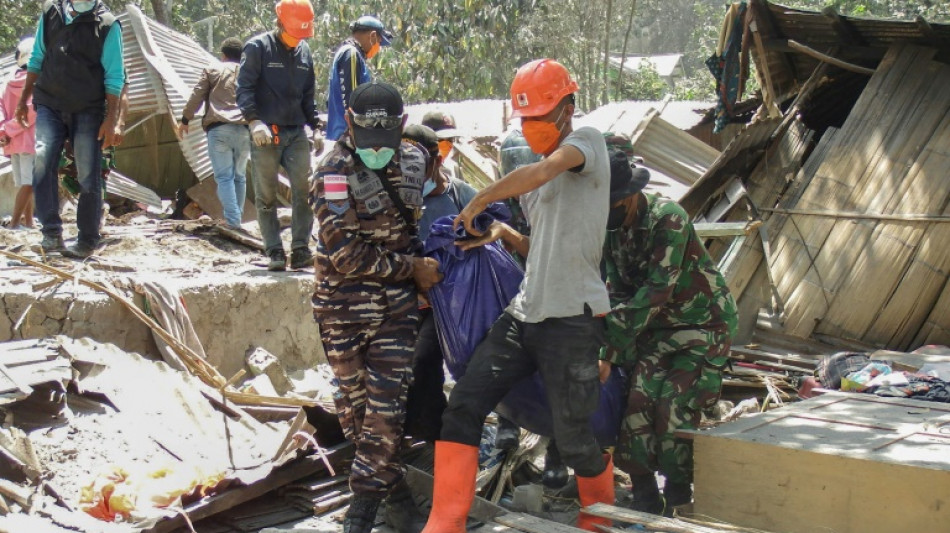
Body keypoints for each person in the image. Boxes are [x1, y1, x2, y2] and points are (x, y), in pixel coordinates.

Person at [422, 59, 614, 533]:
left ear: (568, 108)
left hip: (573, 316)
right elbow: (543, 249)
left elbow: (544, 171)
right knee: (463, 406)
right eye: (525, 119)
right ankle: (445, 522)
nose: (532, 127)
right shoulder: (534, 183)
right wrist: (502, 234)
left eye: (540, 117)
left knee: (574, 439)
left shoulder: (586, 143)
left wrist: (481, 198)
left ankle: (599, 522)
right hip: (525, 312)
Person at [311, 81, 441, 533]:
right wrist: (413, 269)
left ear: (403, 126)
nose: (376, 152)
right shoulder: (330, 171)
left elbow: (413, 229)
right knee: (356, 412)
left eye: (385, 143)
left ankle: (360, 514)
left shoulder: (415, 159)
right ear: (348, 122)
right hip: (342, 309)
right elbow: (345, 256)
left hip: (396, 312)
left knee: (387, 409)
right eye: (367, 142)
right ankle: (396, 487)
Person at [598, 147, 738, 515]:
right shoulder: (611, 230)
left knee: (673, 413)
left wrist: (609, 349)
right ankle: (645, 500)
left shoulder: (668, 219)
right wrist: (608, 346)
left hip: (701, 327)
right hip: (654, 331)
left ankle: (679, 500)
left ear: (629, 194)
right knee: (635, 409)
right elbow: (616, 287)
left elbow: (657, 290)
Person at [16, 0, 125, 258]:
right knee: (42, 160)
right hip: (49, 103)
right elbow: (37, 56)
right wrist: (23, 100)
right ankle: (51, 234)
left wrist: (111, 120)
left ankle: (87, 239)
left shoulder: (107, 24)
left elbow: (115, 75)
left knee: (88, 173)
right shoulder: (51, 12)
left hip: (88, 108)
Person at [400, 124, 477, 444]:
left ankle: (437, 436)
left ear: (437, 162)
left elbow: (488, 246)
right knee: (418, 372)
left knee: (423, 361)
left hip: (454, 303)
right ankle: (428, 435)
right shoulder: (401, 199)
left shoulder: (462, 196)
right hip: (411, 300)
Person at [237, 0, 321, 271]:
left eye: (302, 36)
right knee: (267, 195)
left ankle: (299, 249)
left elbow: (308, 95)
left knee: (305, 191)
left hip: (296, 132)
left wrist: (316, 126)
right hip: (266, 132)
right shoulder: (257, 48)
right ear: (280, 23)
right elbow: (244, 88)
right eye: (293, 33)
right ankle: (274, 251)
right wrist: (253, 121)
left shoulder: (305, 52)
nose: (297, 40)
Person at [179, 37, 249, 230]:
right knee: (239, 176)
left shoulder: (212, 70)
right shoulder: (249, 73)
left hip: (219, 130)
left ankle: (233, 220)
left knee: (224, 177)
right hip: (245, 130)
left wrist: (185, 119)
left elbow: (197, 96)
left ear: (223, 55)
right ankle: (237, 219)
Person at [325, 16, 393, 141]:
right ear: (372, 36)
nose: (378, 48)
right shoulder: (351, 54)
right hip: (349, 136)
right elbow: (353, 99)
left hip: (342, 133)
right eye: (379, 42)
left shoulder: (346, 52)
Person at [0, 38, 37, 230]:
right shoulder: (36, 81)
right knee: (29, 183)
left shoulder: (7, 80)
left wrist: (3, 131)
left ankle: (29, 222)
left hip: (12, 141)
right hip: (30, 140)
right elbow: (31, 112)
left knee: (24, 183)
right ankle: (15, 223)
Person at [421, 110, 463, 184]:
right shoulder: (414, 167)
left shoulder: (454, 167)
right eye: (440, 140)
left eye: (450, 139)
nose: (446, 144)